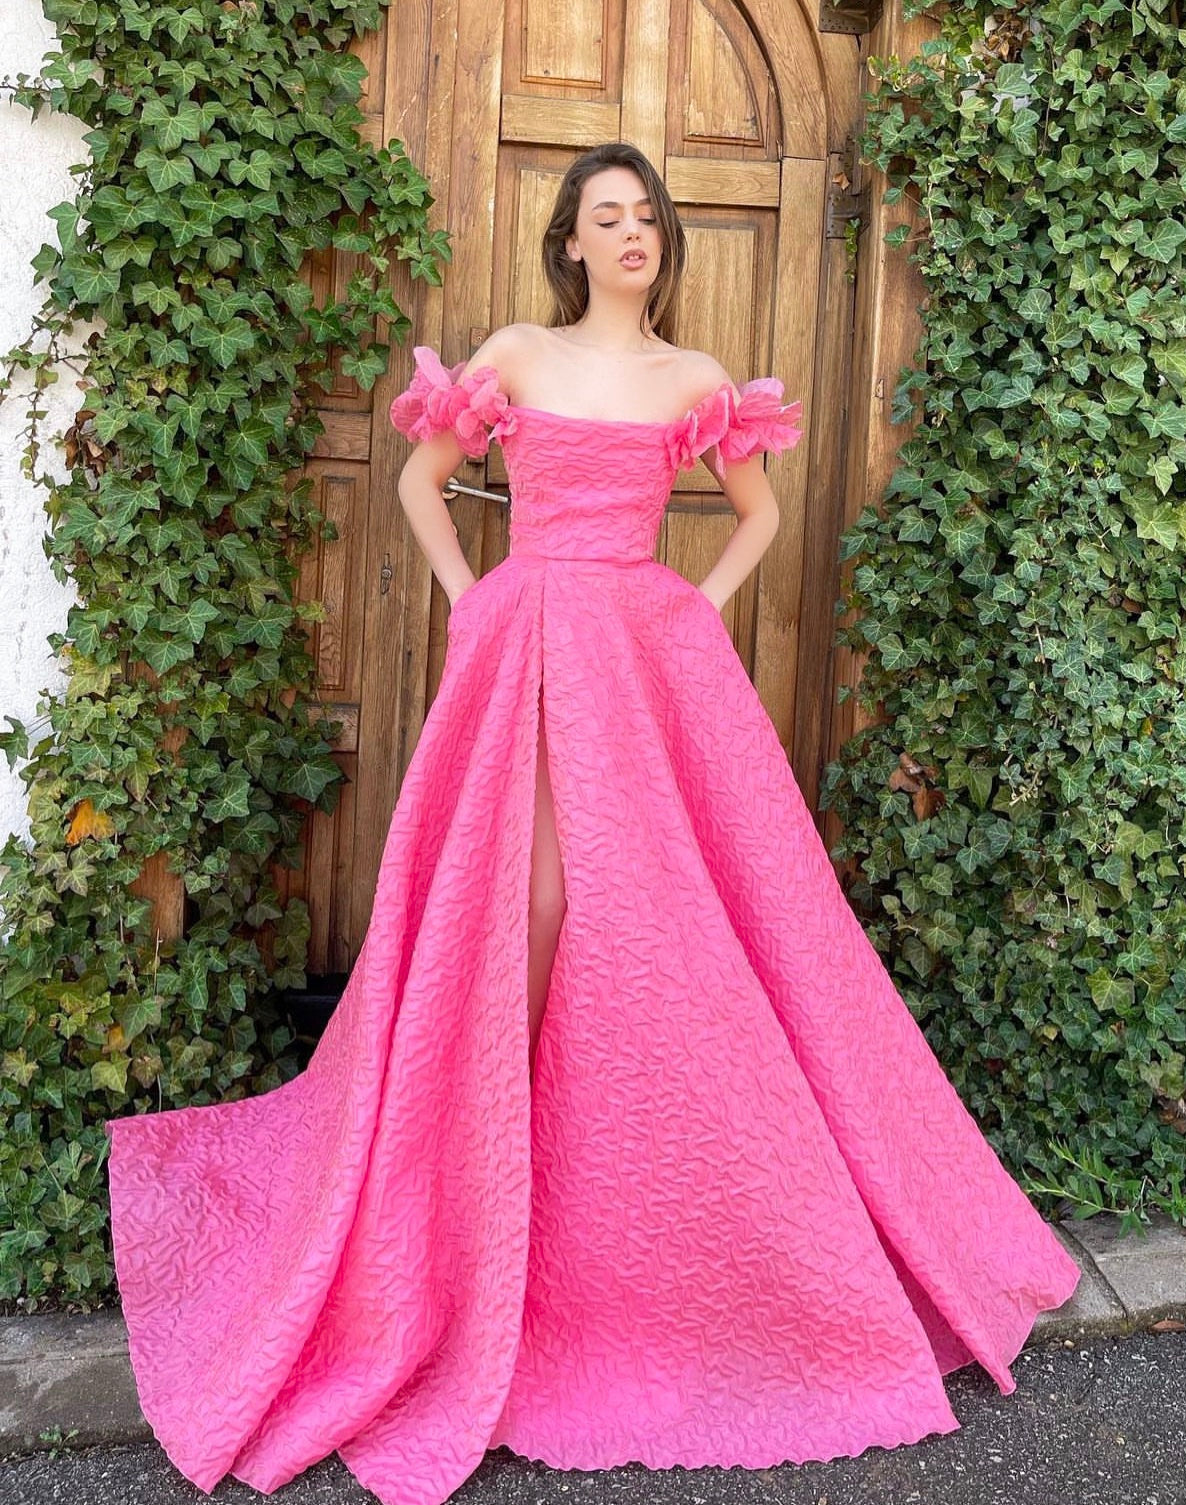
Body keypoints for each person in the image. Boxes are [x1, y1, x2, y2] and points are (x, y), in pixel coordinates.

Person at [103, 141, 1081, 1505]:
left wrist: (694, 610)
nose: (629, 234)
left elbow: (759, 514)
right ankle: (482, 1130)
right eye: (604, 217)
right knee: (529, 894)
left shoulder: (695, 380)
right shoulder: (516, 353)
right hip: (527, 641)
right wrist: (474, 602)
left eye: (644, 218)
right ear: (569, 242)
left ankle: (582, 1146)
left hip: (634, 654)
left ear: (662, 242)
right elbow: (418, 483)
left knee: (636, 909)